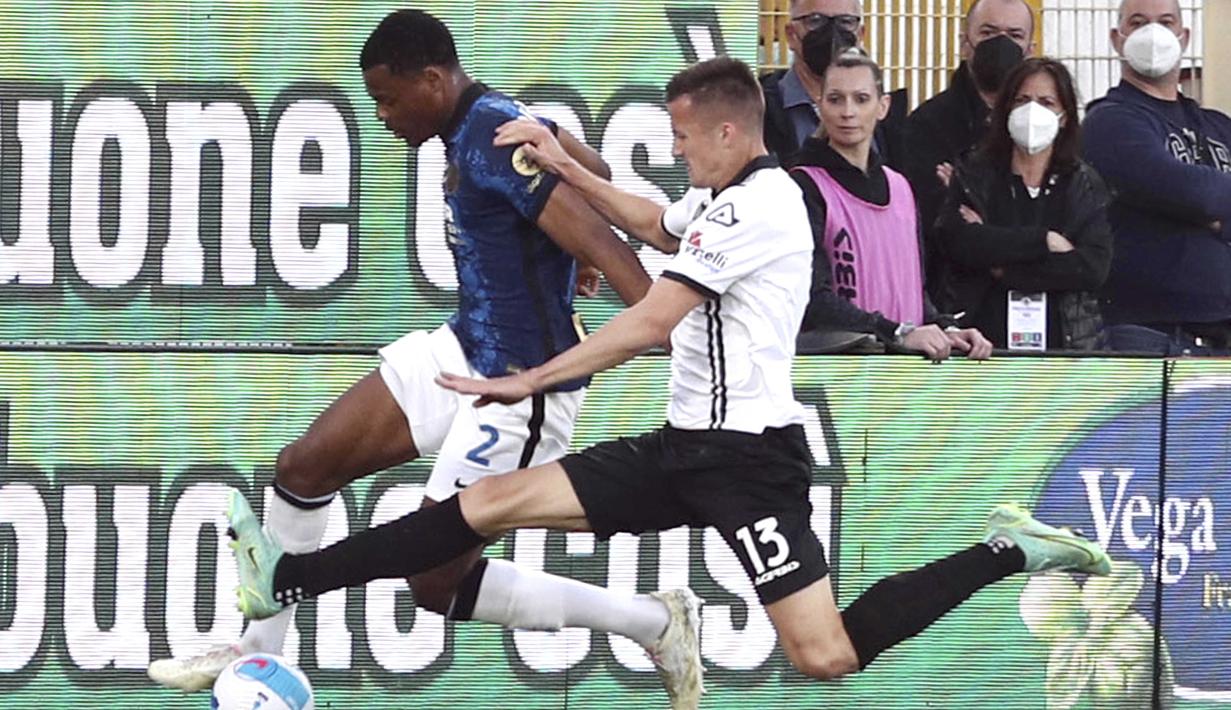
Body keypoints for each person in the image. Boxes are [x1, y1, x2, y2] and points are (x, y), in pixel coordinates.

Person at [223, 57, 1111, 708]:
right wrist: (564, 164)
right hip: (679, 450)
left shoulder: (765, 204)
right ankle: (289, 577)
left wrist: (532, 380)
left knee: (826, 655)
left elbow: (652, 320)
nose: (677, 152)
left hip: (748, 466)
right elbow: (653, 221)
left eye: (682, 139)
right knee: (484, 504)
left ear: (727, 133)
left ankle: (1007, 548)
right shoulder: (721, 194)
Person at [147, 8, 686, 693]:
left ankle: (651, 622)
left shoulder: (491, 139)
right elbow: (596, 167)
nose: (382, 116)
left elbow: (605, 245)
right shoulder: (491, 120)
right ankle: (258, 659)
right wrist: (565, 218)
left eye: (388, 99)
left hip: (520, 385)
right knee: (305, 467)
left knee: (434, 583)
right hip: (462, 348)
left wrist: (671, 328)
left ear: (432, 80)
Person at [792, 51, 993, 361]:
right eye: (835, 99)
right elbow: (812, 298)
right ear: (819, 105)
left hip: (901, 373)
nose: (848, 112)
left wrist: (947, 328)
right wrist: (896, 331)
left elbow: (913, 291)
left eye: (861, 99)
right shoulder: (804, 186)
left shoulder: (901, 187)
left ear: (883, 106)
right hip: (840, 369)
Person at [1082, 0, 1231, 354]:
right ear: (1117, 38)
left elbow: (1196, 195)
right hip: (1146, 333)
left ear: (1184, 37)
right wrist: (1208, 209)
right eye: (1138, 23)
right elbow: (1187, 190)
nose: (1153, 33)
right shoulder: (1110, 121)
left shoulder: (1218, 127)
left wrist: (1212, 213)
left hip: (1220, 336)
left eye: (1166, 22)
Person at [933, 58, 1113, 351]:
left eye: (1046, 102)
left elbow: (1092, 267)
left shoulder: (1082, 182)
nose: (1033, 111)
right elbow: (959, 241)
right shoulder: (975, 172)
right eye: (1022, 100)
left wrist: (1004, 269)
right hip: (982, 348)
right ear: (1006, 109)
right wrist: (1045, 241)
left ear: (1064, 116)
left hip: (1065, 350)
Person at [905, 0, 1035, 291]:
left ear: (1030, 50)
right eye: (988, 33)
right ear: (965, 44)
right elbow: (939, 227)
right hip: (953, 296)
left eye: (1015, 35)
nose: (1001, 44)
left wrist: (972, 197)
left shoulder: (1045, 125)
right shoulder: (927, 126)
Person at [761, 0, 908, 168]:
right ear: (791, 35)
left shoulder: (886, 118)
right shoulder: (758, 111)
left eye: (846, 21)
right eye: (815, 20)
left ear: (860, 35)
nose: (832, 32)